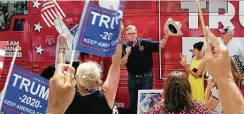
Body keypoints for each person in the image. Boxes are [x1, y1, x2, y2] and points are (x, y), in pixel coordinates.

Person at [121, 25, 169, 114]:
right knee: (133, 103)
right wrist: (127, 54)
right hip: (132, 78)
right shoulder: (124, 46)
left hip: (146, 78)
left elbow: (161, 45)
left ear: (136, 33)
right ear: (126, 35)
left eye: (134, 33)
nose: (132, 35)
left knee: (147, 102)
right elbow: (121, 64)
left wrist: (166, 36)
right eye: (129, 34)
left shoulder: (145, 43)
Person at [204, 26, 244, 114]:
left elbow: (208, 108)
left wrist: (241, 74)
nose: (221, 35)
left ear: (230, 34)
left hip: (230, 79)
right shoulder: (223, 46)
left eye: (223, 33)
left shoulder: (238, 46)